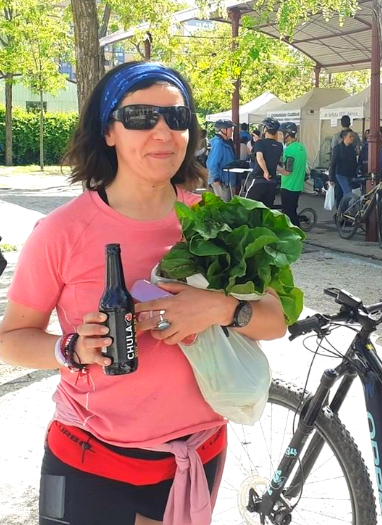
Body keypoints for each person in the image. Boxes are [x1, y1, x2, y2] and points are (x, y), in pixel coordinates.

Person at [0, 61, 287, 525]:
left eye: (176, 118)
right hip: (90, 464)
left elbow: (275, 319)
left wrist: (218, 307)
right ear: (108, 131)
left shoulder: (220, 220)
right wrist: (70, 348)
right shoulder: (61, 232)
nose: (162, 132)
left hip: (197, 457)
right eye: (139, 117)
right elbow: (11, 338)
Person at [246, 117, 283, 208]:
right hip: (272, 181)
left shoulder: (260, 143)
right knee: (267, 209)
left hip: (259, 178)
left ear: (265, 129)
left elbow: (260, 158)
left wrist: (265, 171)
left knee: (248, 207)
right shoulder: (279, 145)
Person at [278, 122, 307, 227]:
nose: (281, 136)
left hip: (288, 186)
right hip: (298, 186)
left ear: (287, 134)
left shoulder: (289, 150)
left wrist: (276, 167)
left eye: (282, 134)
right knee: (292, 210)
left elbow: (287, 171)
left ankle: (296, 235)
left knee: (289, 214)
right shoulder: (301, 147)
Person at [206, 118, 237, 201]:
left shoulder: (226, 141)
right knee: (223, 206)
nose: (232, 131)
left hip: (227, 180)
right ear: (223, 130)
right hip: (221, 181)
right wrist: (216, 179)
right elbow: (212, 163)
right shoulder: (218, 143)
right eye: (231, 129)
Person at [329, 129, 358, 204]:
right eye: (350, 136)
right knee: (347, 193)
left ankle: (342, 211)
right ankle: (343, 210)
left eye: (353, 136)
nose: (352, 138)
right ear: (344, 137)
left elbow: (354, 162)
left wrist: (355, 175)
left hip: (350, 174)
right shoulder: (337, 148)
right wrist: (331, 178)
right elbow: (333, 163)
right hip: (340, 174)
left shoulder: (352, 148)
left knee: (342, 193)